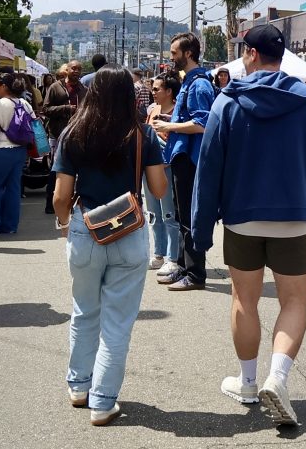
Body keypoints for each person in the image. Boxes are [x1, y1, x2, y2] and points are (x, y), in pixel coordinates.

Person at [192, 23, 306, 426]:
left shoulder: (228, 101)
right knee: (294, 301)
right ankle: (278, 377)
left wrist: (200, 230)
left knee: (245, 300)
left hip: (241, 219)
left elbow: (209, 170)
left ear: (252, 54)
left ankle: (247, 381)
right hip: (294, 218)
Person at [52, 64, 167, 426]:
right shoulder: (141, 135)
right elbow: (159, 190)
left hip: (86, 228)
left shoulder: (74, 132)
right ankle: (103, 402)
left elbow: (60, 196)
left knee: (84, 311)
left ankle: (79, 386)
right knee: (117, 322)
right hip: (129, 232)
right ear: (129, 95)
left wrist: (65, 224)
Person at [151, 33, 215, 291]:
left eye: (175, 53)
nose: (172, 58)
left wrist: (169, 124)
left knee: (189, 217)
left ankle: (196, 274)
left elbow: (203, 123)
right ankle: (182, 266)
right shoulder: (191, 81)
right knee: (181, 214)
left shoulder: (199, 84)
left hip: (190, 159)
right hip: (181, 157)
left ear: (188, 54)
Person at [0, 72, 35, 235]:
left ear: (4, 86)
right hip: (20, 150)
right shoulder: (25, 103)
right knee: (13, 188)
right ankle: (10, 226)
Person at [145, 71, 182, 276]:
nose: (153, 92)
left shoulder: (177, 111)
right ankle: (158, 253)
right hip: (149, 167)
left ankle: (172, 257)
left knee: (169, 212)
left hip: (166, 168)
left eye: (157, 89)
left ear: (169, 91)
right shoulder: (152, 110)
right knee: (153, 212)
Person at [43, 60, 86, 214]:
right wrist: (66, 108)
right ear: (66, 70)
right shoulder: (56, 88)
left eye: (79, 69)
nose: (77, 71)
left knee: (78, 171)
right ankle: (50, 203)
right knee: (57, 170)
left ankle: (75, 203)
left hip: (78, 135)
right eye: (74, 68)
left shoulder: (83, 89)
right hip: (58, 135)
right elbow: (46, 109)